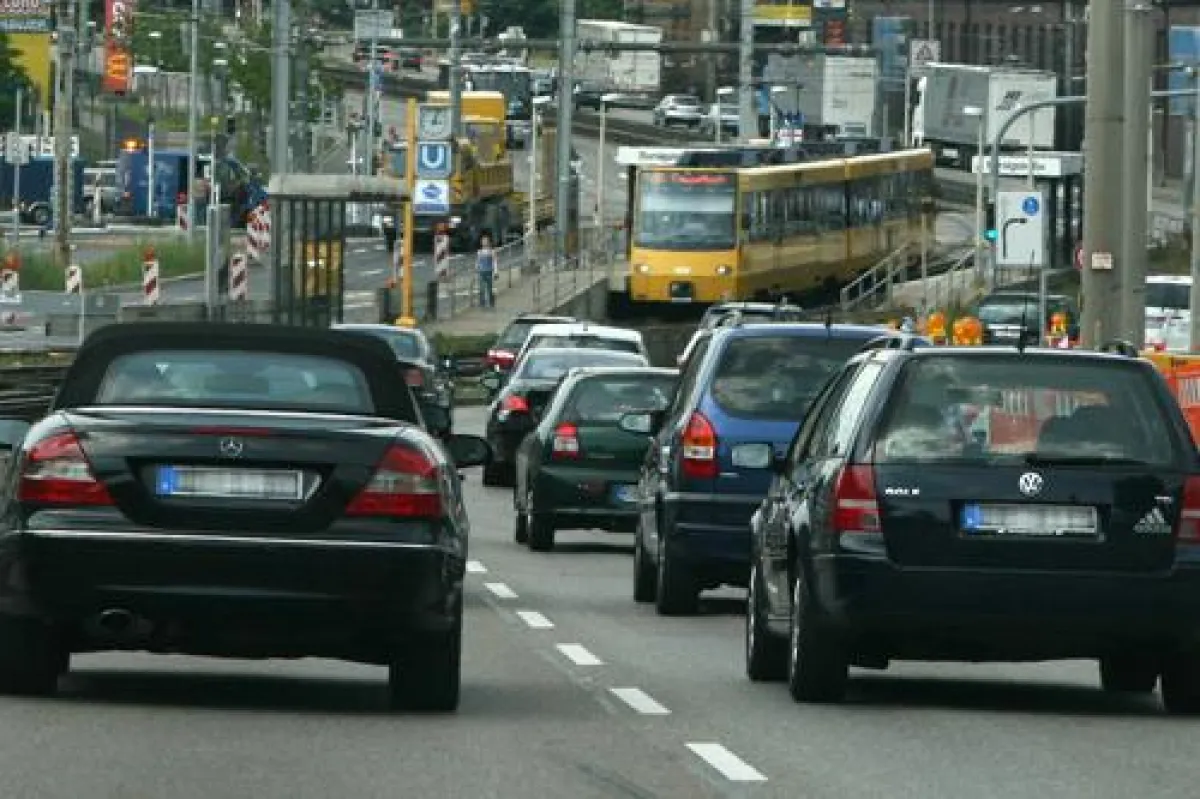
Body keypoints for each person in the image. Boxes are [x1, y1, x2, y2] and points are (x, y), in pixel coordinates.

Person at [476, 232, 496, 309]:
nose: (484, 242)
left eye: (485, 241)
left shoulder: (492, 251)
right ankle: (482, 303)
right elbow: (478, 261)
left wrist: (495, 271)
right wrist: (476, 267)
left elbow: (494, 262)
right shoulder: (479, 252)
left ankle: (491, 302)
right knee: (481, 288)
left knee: (489, 288)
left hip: (489, 271)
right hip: (481, 272)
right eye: (483, 241)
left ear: (488, 242)